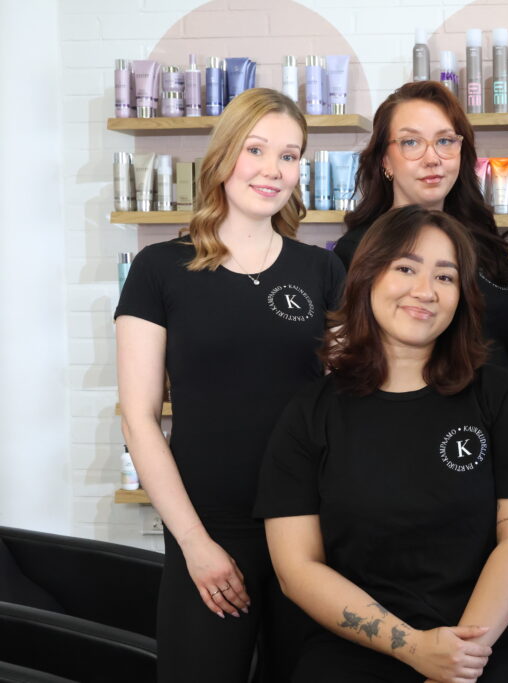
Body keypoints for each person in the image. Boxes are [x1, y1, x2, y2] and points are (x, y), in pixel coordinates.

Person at [255, 206, 508, 682]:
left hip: (482, 646)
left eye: (445, 276)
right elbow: (297, 568)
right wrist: (414, 648)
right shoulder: (311, 412)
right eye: (405, 268)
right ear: (367, 277)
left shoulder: (500, 397)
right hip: (352, 649)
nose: (425, 291)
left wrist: (458, 660)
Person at [115, 88, 346, 681]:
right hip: (208, 526)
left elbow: (347, 399)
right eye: (256, 149)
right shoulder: (159, 269)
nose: (273, 170)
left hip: (308, 526)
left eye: (289, 156)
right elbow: (139, 417)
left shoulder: (321, 269)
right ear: (223, 156)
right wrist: (194, 543)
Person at [333, 81, 508, 372]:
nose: (432, 158)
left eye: (445, 141)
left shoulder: (486, 242)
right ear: (385, 161)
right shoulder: (358, 250)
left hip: (501, 399)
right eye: (411, 142)